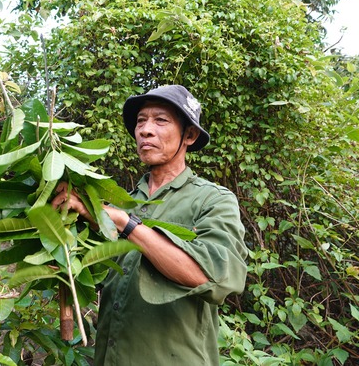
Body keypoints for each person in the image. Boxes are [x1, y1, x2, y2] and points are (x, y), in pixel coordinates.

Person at [51, 84, 248, 365]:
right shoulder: (124, 202)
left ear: (189, 135)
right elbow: (92, 276)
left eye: (161, 120)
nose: (145, 130)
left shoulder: (212, 200)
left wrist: (125, 224)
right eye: (141, 121)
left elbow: (212, 277)